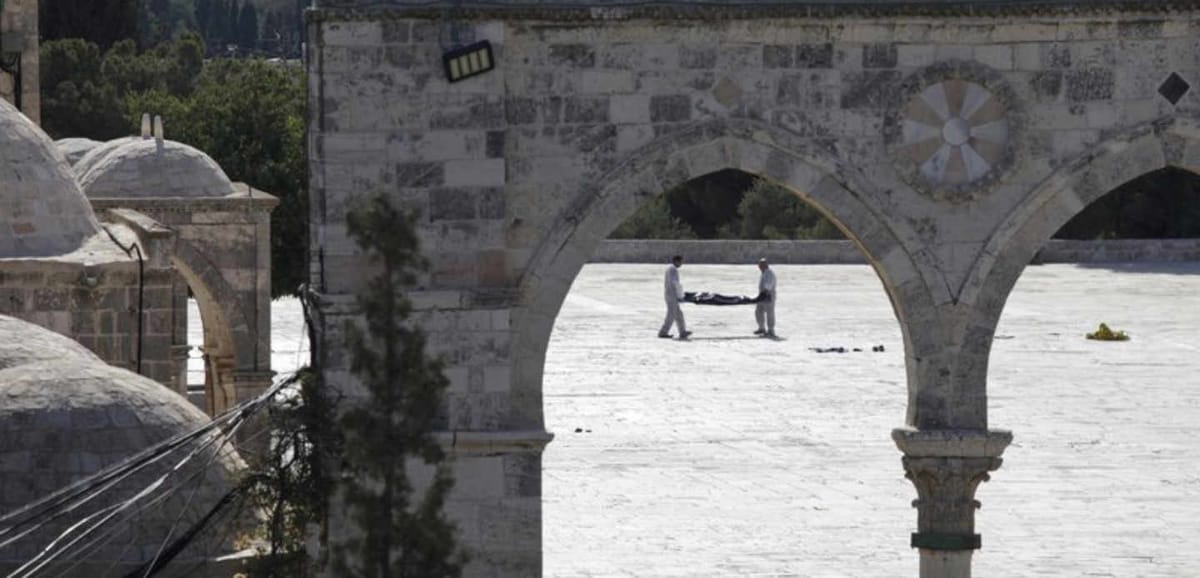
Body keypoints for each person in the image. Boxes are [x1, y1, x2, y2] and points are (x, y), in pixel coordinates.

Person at [658, 255, 691, 339]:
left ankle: (682, 332)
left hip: (670, 294)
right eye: (681, 262)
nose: (681, 264)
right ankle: (663, 332)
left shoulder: (670, 268)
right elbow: (675, 283)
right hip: (672, 295)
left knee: (679, 314)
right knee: (671, 315)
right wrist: (680, 295)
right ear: (677, 261)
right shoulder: (673, 269)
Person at [754, 257, 777, 338]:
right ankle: (761, 328)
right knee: (758, 311)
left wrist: (765, 294)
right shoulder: (763, 273)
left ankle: (771, 330)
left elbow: (768, 285)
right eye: (759, 265)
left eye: (761, 265)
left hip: (768, 295)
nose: (759, 267)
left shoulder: (769, 274)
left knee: (769, 313)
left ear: (766, 265)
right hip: (762, 295)